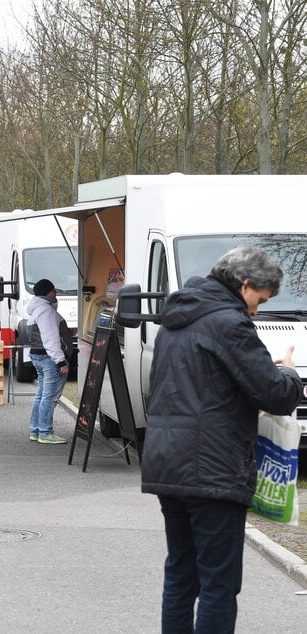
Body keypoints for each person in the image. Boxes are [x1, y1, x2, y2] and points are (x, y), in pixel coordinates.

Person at [141, 246, 301, 633]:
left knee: (181, 573)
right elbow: (274, 394)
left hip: (167, 461)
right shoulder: (230, 323)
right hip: (213, 468)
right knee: (219, 581)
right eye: (259, 301)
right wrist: (290, 375)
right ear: (246, 286)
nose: (257, 311)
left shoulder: (175, 320)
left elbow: (192, 386)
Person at [26, 278, 72, 444]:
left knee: (41, 396)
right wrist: (60, 362)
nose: (56, 292)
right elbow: (50, 338)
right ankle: (45, 432)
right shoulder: (46, 311)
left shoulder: (37, 309)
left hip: (38, 356)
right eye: (53, 290)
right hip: (49, 358)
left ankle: (35, 430)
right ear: (47, 292)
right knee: (49, 397)